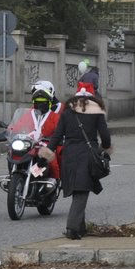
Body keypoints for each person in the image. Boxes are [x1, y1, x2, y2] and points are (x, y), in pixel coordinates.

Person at [39, 82, 112, 240]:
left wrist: (47, 153)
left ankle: (81, 228)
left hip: (68, 155)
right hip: (87, 155)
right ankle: (72, 228)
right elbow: (105, 137)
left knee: (78, 189)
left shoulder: (66, 112)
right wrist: (103, 149)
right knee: (82, 192)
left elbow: (57, 136)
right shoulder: (96, 112)